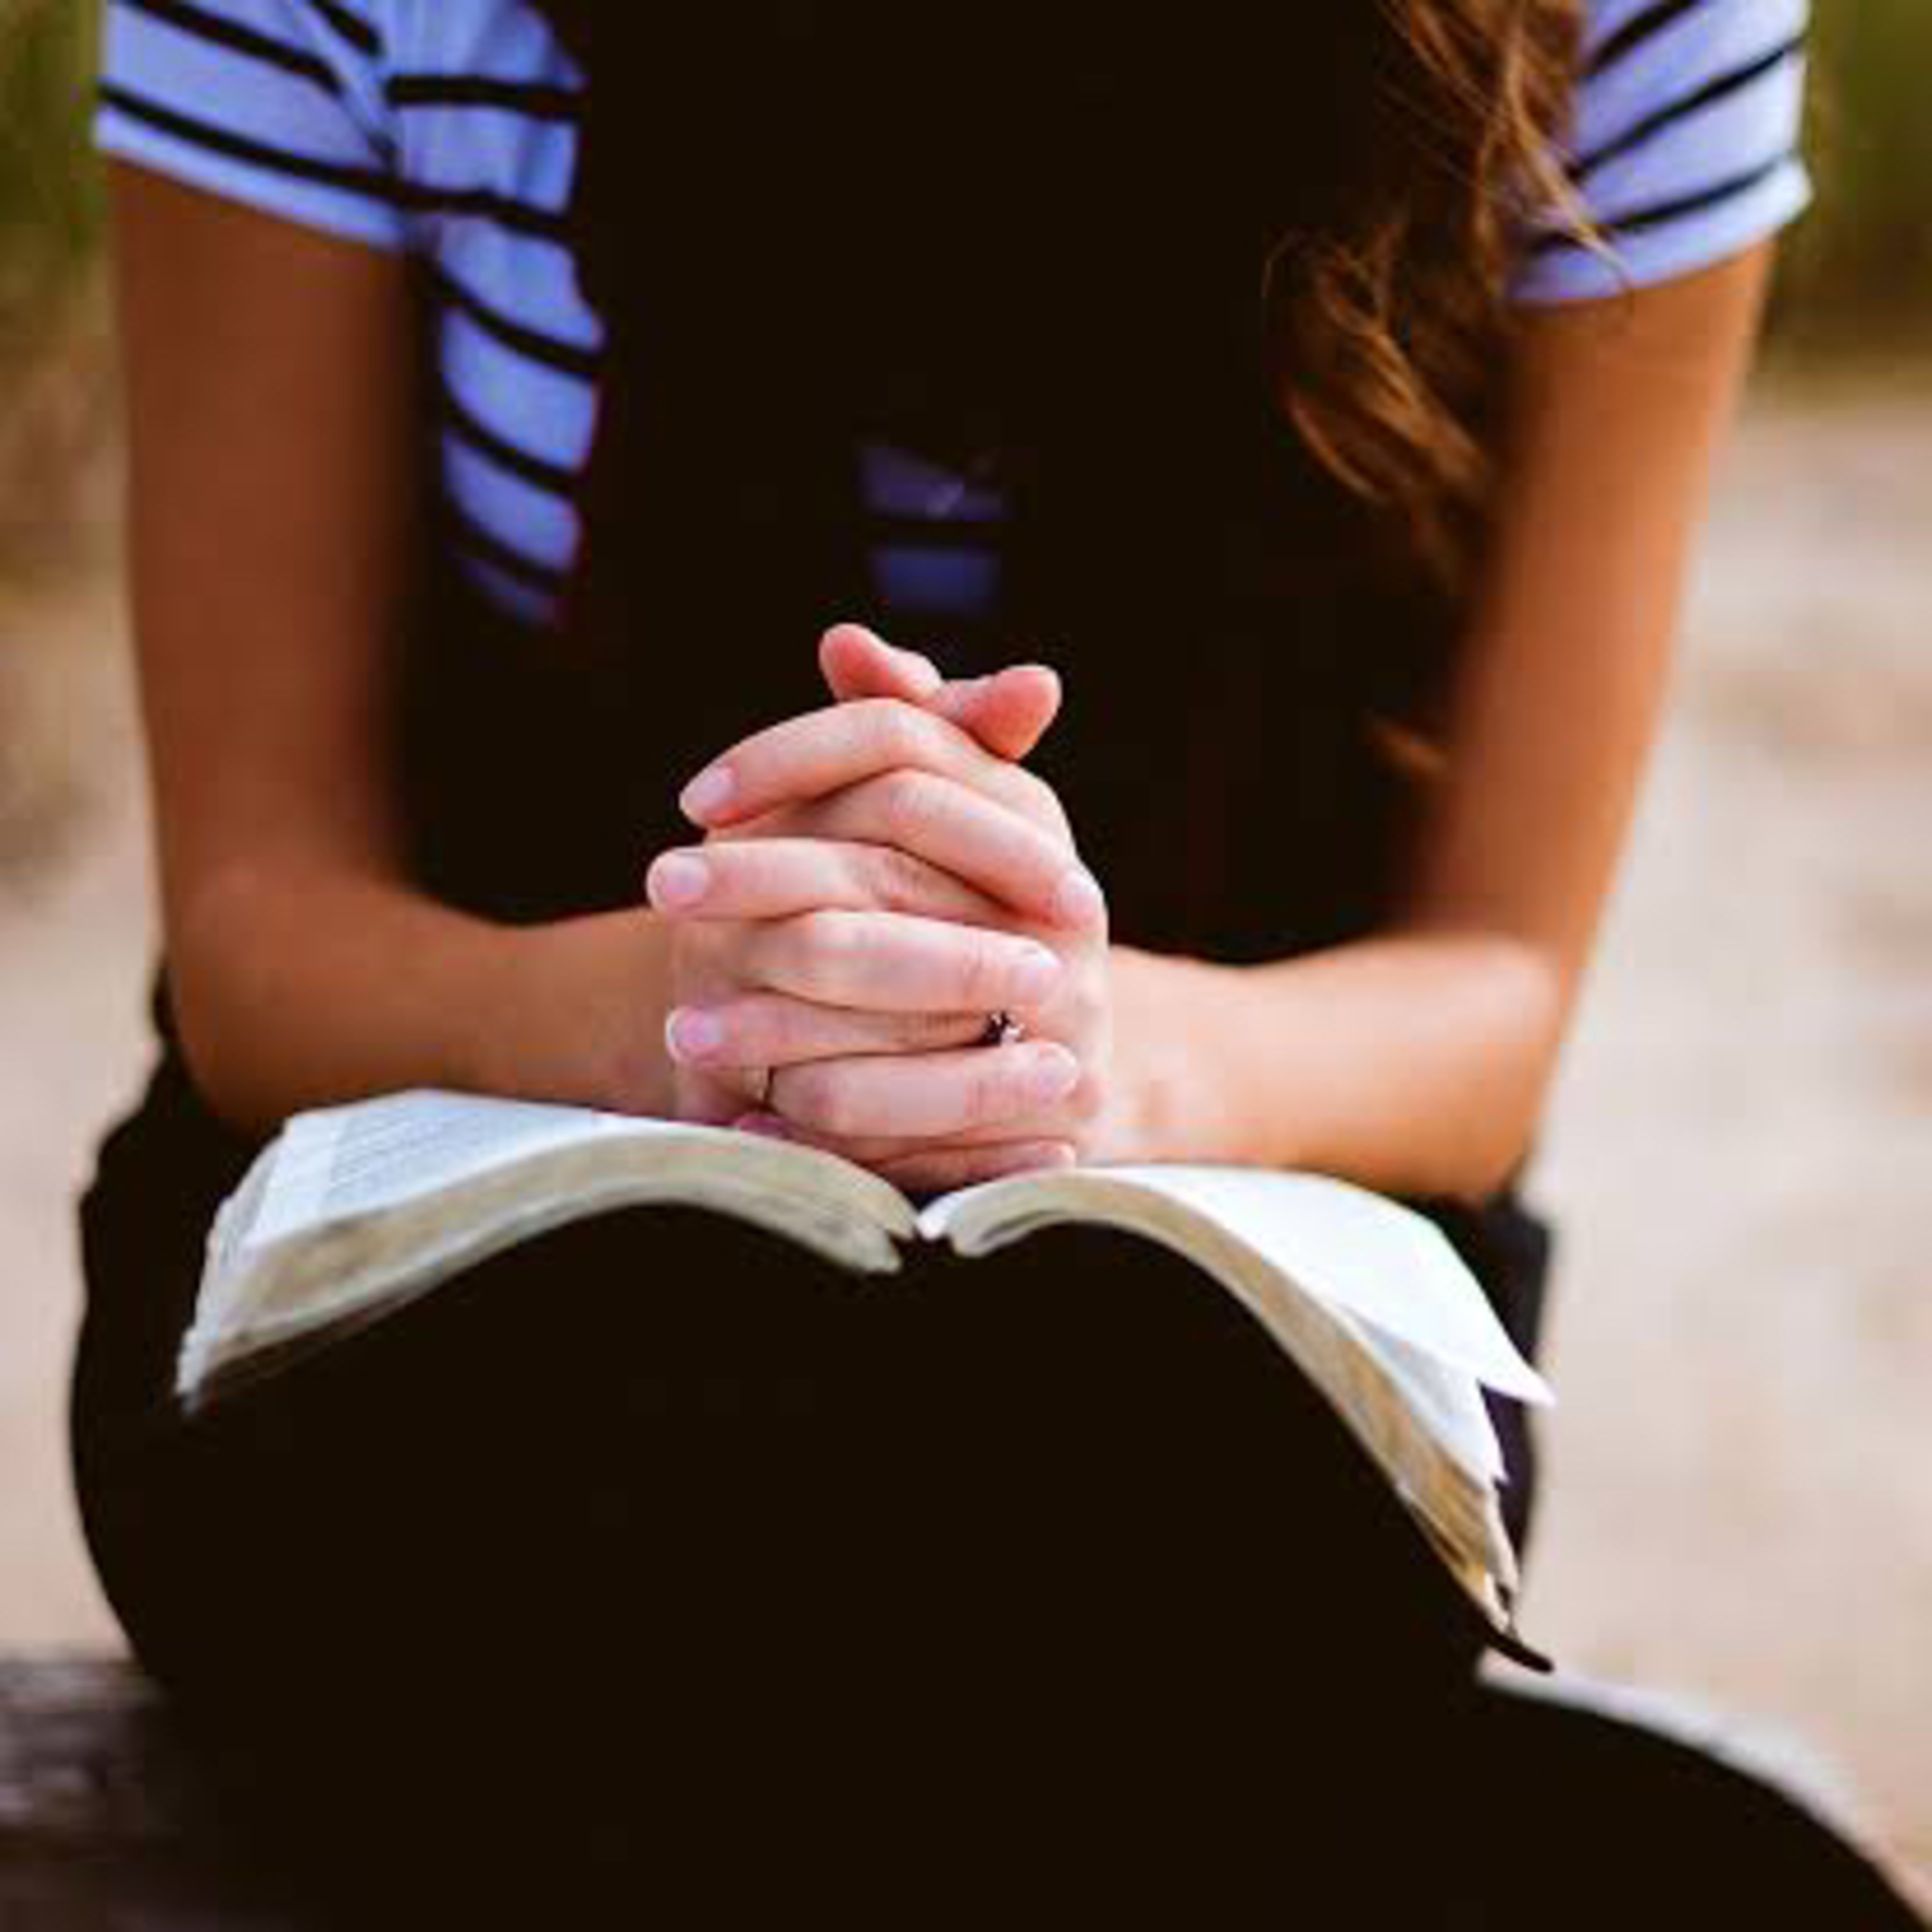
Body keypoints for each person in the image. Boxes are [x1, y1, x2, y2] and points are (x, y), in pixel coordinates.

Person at [67, 0, 1841, 1919]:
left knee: (1111, 1586)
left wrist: (1075, 1052)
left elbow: (1494, 993)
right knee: (648, 1585)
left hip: (1225, 1310)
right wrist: (708, 1017)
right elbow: (260, 934)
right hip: (458, 1278)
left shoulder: (1639, 21)